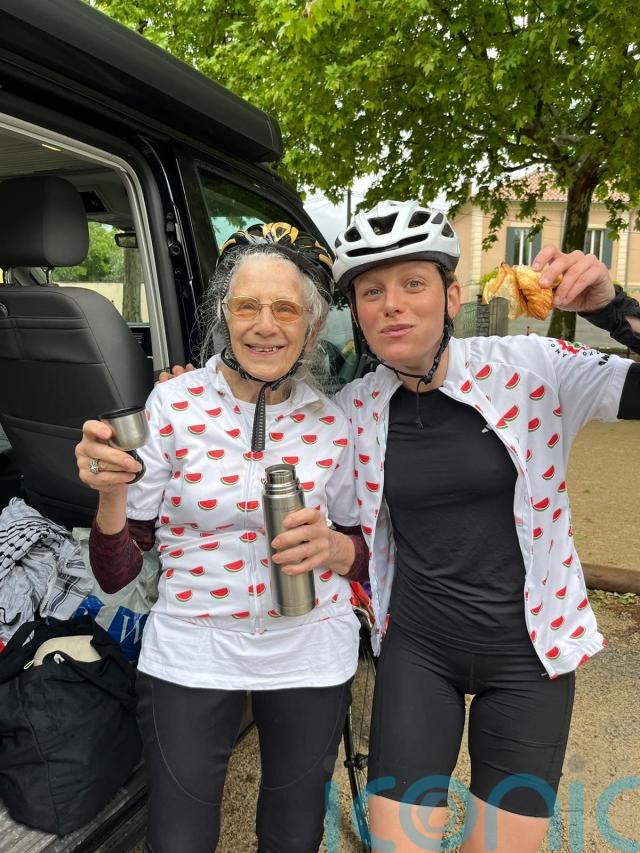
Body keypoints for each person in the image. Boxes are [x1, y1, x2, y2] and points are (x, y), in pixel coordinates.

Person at [330, 200, 640, 853]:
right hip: (419, 651)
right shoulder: (355, 407)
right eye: (371, 291)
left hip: (529, 657)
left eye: (413, 283)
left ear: (452, 297)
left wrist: (614, 309)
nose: (392, 305)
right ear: (355, 312)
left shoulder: (532, 367)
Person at [75, 223, 368, 853]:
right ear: (223, 316)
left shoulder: (334, 422)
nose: (265, 325)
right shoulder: (173, 406)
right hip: (193, 645)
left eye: (285, 308)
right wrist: (110, 493)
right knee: (177, 840)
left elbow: (363, 549)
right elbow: (117, 573)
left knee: (293, 836)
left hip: (310, 647)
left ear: (313, 324)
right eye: (247, 306)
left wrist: (335, 549)